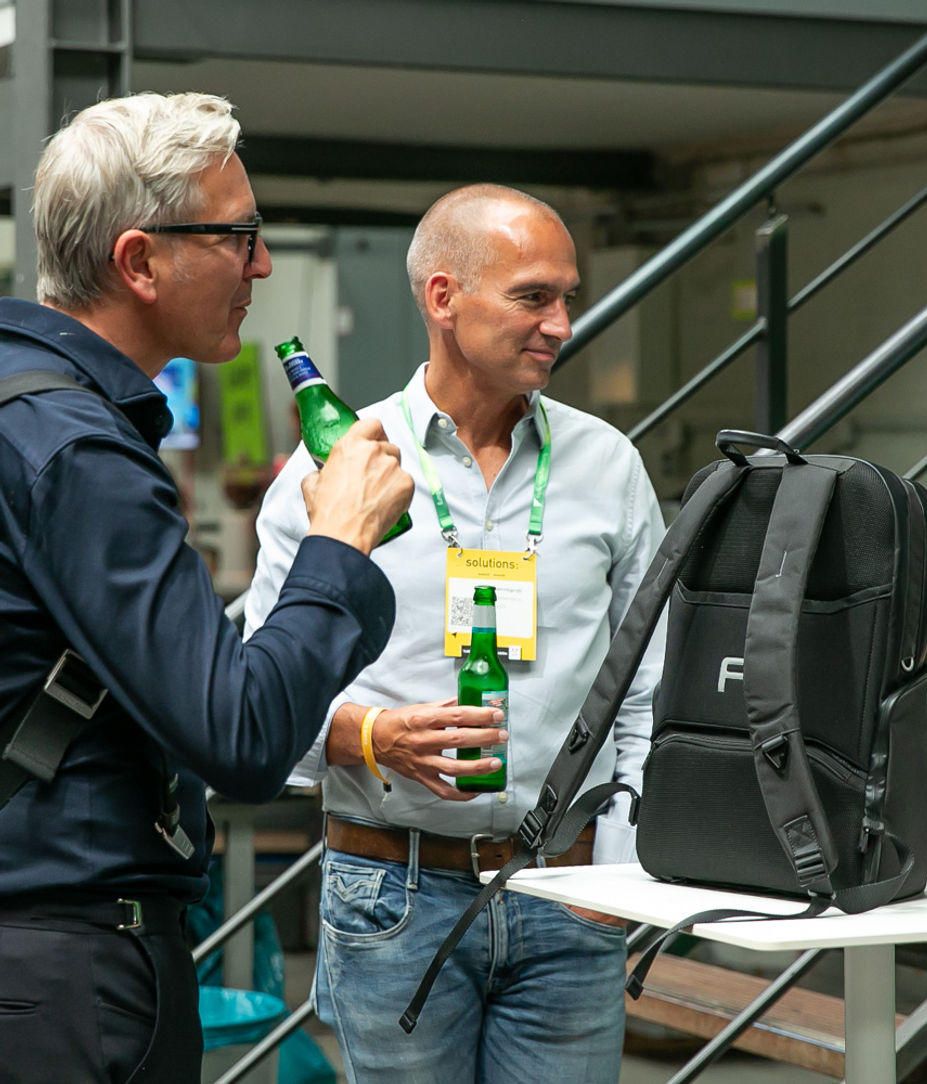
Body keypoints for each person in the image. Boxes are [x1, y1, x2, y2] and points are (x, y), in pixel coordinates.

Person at [0, 92, 415, 1083]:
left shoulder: (24, 403)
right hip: (65, 977)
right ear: (139, 261)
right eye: (239, 237)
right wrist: (339, 545)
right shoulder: (79, 454)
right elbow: (240, 738)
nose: (261, 266)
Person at [245, 183, 666, 1083]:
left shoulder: (607, 465)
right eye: (532, 297)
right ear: (444, 298)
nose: (559, 323)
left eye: (567, 299)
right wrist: (368, 737)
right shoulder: (341, 467)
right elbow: (261, 689)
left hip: (569, 892)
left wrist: (619, 876)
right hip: (391, 894)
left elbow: (648, 682)